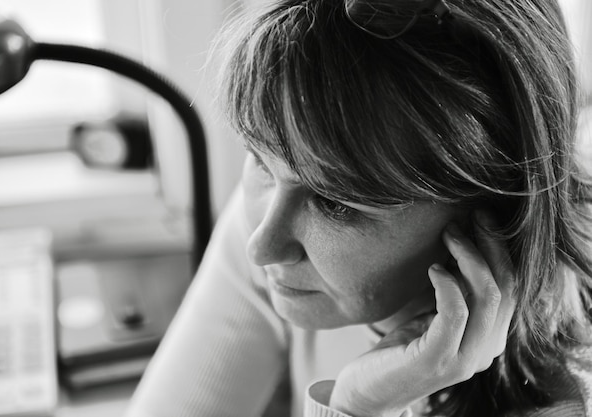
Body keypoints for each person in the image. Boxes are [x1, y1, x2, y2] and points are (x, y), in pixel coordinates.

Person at [125, 0, 592, 416]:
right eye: (259, 160)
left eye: (334, 203)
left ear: (492, 218)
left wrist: (357, 407)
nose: (262, 247)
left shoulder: (567, 396)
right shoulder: (274, 216)